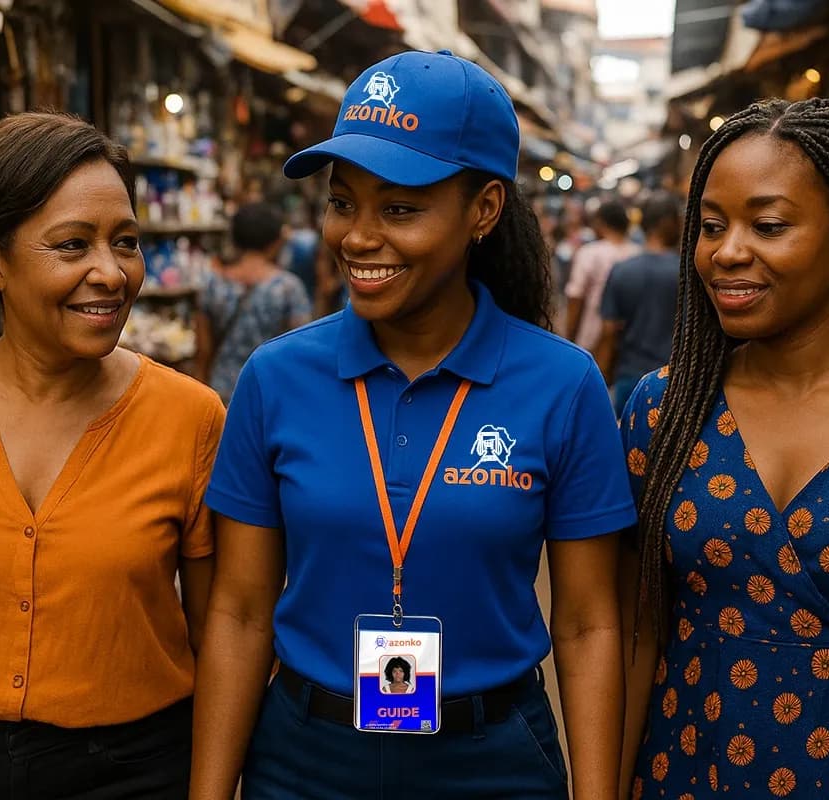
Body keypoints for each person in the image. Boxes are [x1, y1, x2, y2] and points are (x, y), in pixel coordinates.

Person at [190, 49, 635, 800]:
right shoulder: (275, 378)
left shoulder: (563, 385)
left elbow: (589, 624)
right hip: (304, 764)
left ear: (484, 210)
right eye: (342, 203)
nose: (358, 237)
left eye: (399, 209)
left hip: (493, 766)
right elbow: (238, 613)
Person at [0, 112, 225, 798]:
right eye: (73, 245)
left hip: (139, 772)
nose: (110, 273)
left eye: (126, 243)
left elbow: (223, 632)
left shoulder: (189, 418)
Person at [620, 97, 829, 799]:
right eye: (710, 226)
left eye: (768, 225)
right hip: (687, 769)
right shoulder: (665, 408)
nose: (726, 251)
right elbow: (638, 631)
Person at [196, 201, 311, 404]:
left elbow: (204, 350)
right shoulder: (288, 288)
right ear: (275, 242)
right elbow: (301, 351)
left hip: (221, 393)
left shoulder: (212, 284)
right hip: (270, 392)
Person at [596, 191, 682, 414]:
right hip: (677, 380)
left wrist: (601, 379)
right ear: (669, 223)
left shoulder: (622, 270)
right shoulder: (687, 274)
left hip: (630, 378)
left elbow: (608, 331)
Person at [564, 198, 639, 351]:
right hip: (630, 342)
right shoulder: (638, 253)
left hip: (591, 338)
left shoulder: (590, 253)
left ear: (600, 223)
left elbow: (575, 299)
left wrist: (569, 339)